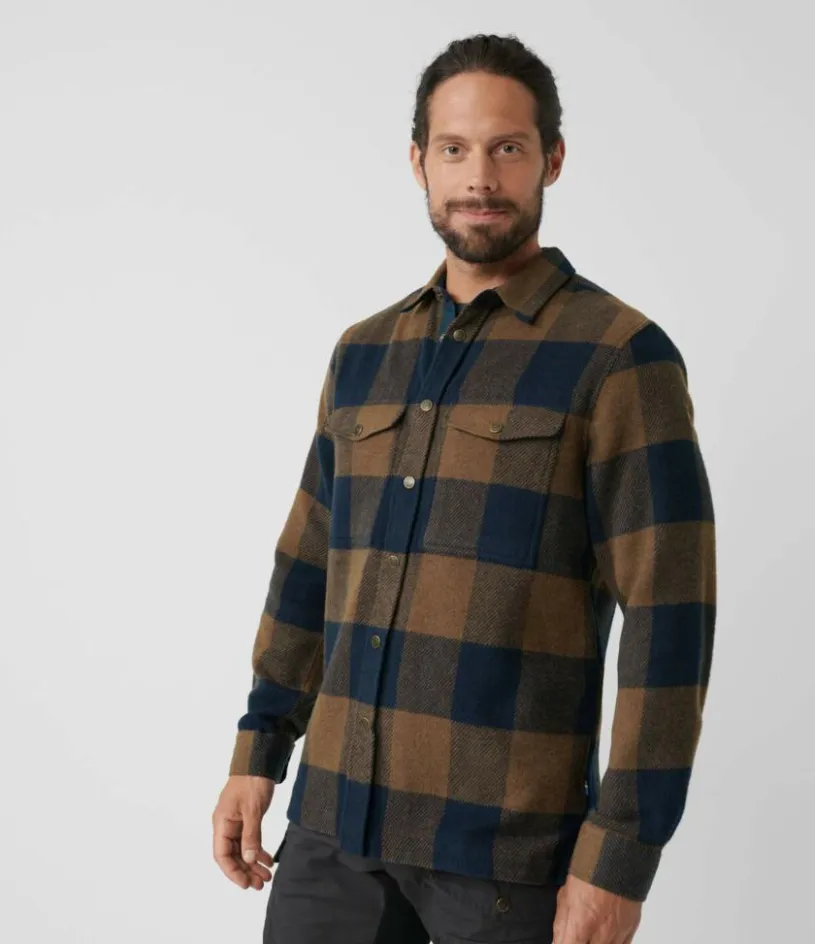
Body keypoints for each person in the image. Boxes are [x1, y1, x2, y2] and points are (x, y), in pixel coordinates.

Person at [211, 32, 716, 944]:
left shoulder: (619, 359)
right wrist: (260, 748)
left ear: (551, 159)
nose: (479, 177)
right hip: (331, 834)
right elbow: (307, 567)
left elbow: (670, 621)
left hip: (505, 861)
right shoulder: (363, 354)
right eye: (454, 148)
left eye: (507, 148)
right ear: (419, 162)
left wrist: (620, 859)